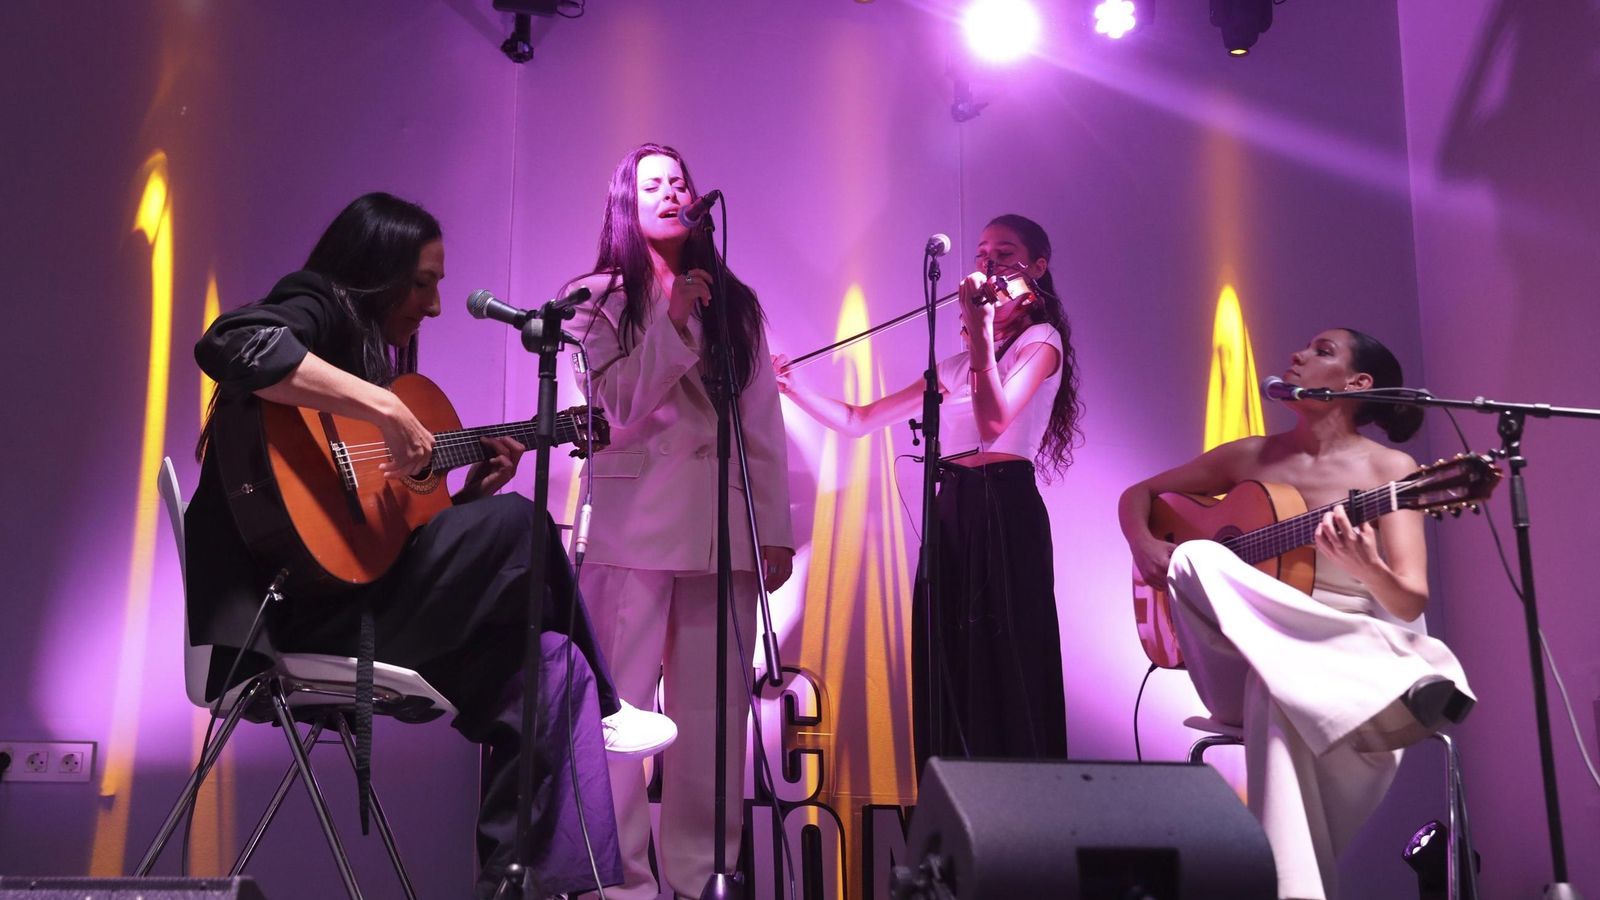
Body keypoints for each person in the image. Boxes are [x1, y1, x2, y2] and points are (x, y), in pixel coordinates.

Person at [187, 192, 671, 898]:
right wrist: (384, 406)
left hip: (362, 600)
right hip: (290, 618)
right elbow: (227, 343)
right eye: (423, 282)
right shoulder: (318, 302)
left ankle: (526, 889)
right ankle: (611, 707)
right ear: (373, 270)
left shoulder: (371, 354)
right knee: (521, 524)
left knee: (550, 663)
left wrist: (467, 496)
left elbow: (381, 541)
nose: (437, 304)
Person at [1116, 328, 1476, 900]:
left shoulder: (1392, 469)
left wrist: (1367, 567)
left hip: (1345, 665)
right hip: (1234, 655)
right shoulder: (1250, 455)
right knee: (1196, 559)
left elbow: (1408, 597)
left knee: (1273, 688)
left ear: (1357, 385)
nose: (1298, 356)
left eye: (1322, 350)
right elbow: (1139, 495)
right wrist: (1145, 547)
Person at [562, 143, 796, 899]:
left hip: (723, 533)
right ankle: (620, 883)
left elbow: (762, 422)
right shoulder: (592, 299)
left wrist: (775, 529)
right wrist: (671, 316)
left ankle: (704, 880)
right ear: (626, 204)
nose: (670, 193)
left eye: (680, 182)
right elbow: (620, 403)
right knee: (618, 719)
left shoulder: (736, 301)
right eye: (652, 184)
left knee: (715, 721)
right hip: (633, 527)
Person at [773, 213, 1082, 773]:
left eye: (1006, 254)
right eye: (983, 252)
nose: (988, 263)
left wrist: (983, 332)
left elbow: (994, 422)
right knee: (951, 662)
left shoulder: (1041, 341)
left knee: (1007, 658)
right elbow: (859, 420)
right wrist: (792, 388)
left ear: (1037, 271)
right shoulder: (958, 364)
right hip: (953, 508)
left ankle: (1024, 816)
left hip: (1005, 505)